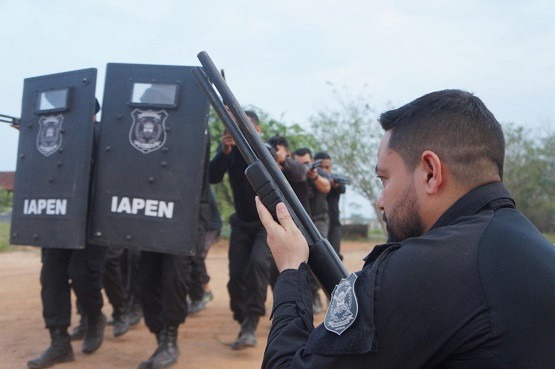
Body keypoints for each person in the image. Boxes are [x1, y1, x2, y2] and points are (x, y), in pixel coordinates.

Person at [256, 89, 555, 368]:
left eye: (385, 179)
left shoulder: (429, 267)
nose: (381, 201)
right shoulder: (533, 245)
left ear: (430, 173)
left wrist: (292, 268)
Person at [28, 100, 107, 369]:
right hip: (57, 217)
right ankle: (59, 341)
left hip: (92, 220)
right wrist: (30, 134)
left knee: (85, 275)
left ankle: (93, 318)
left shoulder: (101, 134)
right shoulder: (54, 134)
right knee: (51, 276)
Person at [137, 137, 212, 369]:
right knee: (145, 281)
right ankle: (161, 339)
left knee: (175, 279)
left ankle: (170, 341)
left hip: (184, 217)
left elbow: (205, 174)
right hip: (150, 215)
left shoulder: (194, 129)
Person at [209, 110, 274, 350]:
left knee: (257, 264)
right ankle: (242, 315)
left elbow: (269, 167)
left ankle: (250, 324)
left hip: (265, 223)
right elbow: (212, 177)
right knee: (236, 274)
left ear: (257, 131)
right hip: (241, 223)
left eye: (245, 128)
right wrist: (224, 152)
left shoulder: (265, 150)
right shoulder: (228, 149)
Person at [293, 147, 331, 314]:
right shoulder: (292, 173)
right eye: (299, 164)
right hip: (301, 222)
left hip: (319, 220)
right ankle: (311, 295)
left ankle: (318, 294)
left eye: (307, 163)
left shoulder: (318, 173)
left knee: (317, 253)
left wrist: (313, 175)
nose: (304, 166)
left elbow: (326, 187)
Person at [188, 187, 221, 314]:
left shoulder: (202, 184)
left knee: (197, 256)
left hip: (210, 226)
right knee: (189, 257)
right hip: (198, 225)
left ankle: (205, 291)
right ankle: (195, 294)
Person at [314, 151, 346, 260]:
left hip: (333, 223)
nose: (325, 170)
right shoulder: (313, 180)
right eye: (322, 167)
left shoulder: (334, 180)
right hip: (318, 222)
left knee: (335, 257)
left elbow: (342, 188)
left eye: (328, 167)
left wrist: (334, 185)